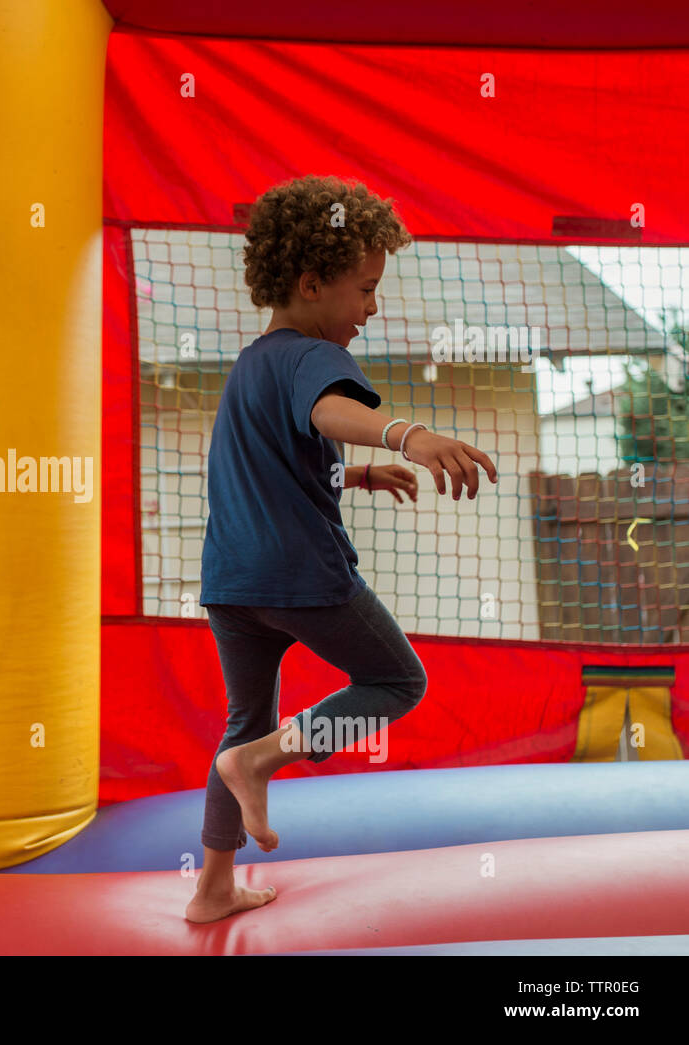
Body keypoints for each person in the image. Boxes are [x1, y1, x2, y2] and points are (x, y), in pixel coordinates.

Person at [184, 174, 497, 924]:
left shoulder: (251, 367)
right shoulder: (312, 359)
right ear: (311, 282)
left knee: (242, 722)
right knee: (396, 680)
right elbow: (329, 409)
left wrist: (354, 473)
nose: (372, 307)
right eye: (364, 288)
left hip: (232, 584)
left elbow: (277, 458)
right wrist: (409, 436)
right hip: (301, 575)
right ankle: (264, 760)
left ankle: (213, 886)